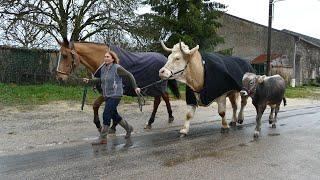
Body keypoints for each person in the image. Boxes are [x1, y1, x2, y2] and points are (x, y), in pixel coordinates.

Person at [83, 50, 141, 144]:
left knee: (106, 114)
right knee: (114, 115)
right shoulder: (103, 69)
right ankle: (129, 128)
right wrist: (89, 81)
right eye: (105, 57)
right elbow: (101, 80)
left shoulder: (117, 68)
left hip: (115, 95)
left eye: (108, 57)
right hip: (107, 95)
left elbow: (129, 75)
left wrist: (135, 87)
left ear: (113, 59)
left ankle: (103, 138)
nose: (105, 58)